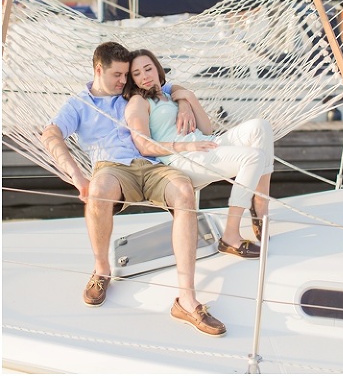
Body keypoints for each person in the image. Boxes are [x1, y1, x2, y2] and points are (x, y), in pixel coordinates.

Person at [41, 41, 226, 337]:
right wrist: (77, 176)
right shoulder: (79, 104)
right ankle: (102, 270)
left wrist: (181, 102)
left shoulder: (132, 91)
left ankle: (187, 300)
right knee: (99, 190)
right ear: (98, 70)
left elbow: (171, 89)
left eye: (126, 75)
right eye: (117, 75)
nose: (123, 81)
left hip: (152, 162)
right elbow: (50, 135)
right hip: (112, 168)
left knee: (184, 191)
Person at [122, 48, 274, 259]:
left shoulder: (170, 95)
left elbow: (207, 129)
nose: (145, 76)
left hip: (205, 144)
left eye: (148, 69)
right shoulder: (138, 102)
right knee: (253, 157)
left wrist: (189, 98)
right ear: (132, 80)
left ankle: (259, 203)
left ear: (157, 69)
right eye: (137, 74)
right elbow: (145, 146)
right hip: (181, 159)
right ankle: (231, 236)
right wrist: (186, 147)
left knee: (261, 127)